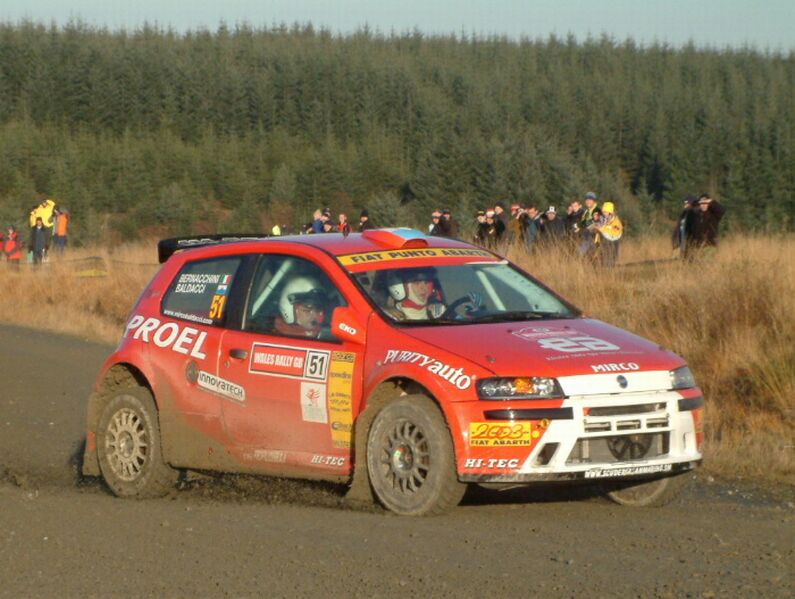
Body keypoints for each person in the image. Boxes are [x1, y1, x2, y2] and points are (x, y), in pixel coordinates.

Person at [596, 202, 623, 267]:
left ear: (610, 212)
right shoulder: (603, 220)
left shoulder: (616, 221)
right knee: (605, 255)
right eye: (603, 212)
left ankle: (610, 267)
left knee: (613, 256)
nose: (604, 213)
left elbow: (615, 232)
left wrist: (602, 229)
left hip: (614, 241)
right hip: (606, 241)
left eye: (606, 212)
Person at [578, 192, 599, 256]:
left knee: (580, 253)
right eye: (587, 200)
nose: (588, 201)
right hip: (585, 236)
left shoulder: (596, 211)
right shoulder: (587, 211)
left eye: (590, 200)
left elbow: (596, 223)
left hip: (593, 238)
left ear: (594, 201)